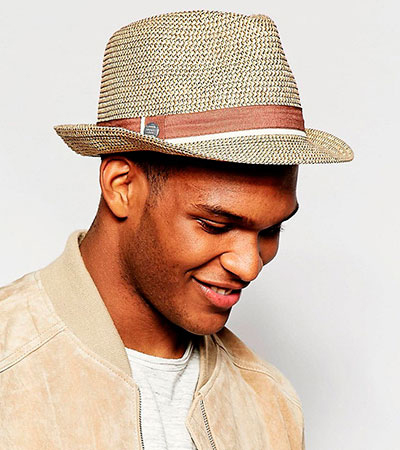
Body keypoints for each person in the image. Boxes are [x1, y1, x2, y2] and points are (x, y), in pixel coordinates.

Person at [0, 10, 353, 450]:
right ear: (122, 186)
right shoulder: (10, 367)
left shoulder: (270, 403)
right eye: (215, 225)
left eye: (271, 230)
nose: (249, 266)